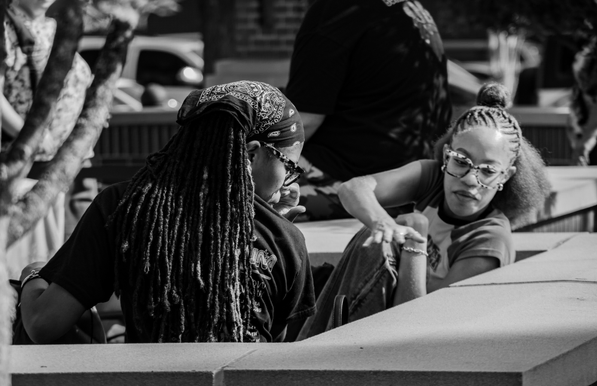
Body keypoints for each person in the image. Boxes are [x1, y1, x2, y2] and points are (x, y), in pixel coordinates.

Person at [18, 80, 316, 343]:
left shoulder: (124, 204)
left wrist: (31, 275)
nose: (290, 183)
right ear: (250, 154)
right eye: (290, 167)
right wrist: (277, 232)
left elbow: (43, 325)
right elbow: (274, 354)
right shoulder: (286, 241)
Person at [297, 83, 551, 339]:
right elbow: (352, 189)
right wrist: (382, 222)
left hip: (413, 349)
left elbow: (420, 324)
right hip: (377, 327)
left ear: (506, 176)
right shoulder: (433, 178)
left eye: (487, 171)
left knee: (381, 244)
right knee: (373, 235)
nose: (471, 179)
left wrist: (415, 242)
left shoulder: (490, 240)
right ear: (446, 156)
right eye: (461, 162)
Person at [284, 0, 452, 221]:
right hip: (411, 184)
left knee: (235, 186)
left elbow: (302, 123)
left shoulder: (335, 10)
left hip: (351, 181)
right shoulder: (410, 8)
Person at [2, 0, 93, 278]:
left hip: (68, 163)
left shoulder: (56, 28)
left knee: (66, 260)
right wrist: (31, 136)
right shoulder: (7, 27)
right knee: (31, 270)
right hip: (30, 168)